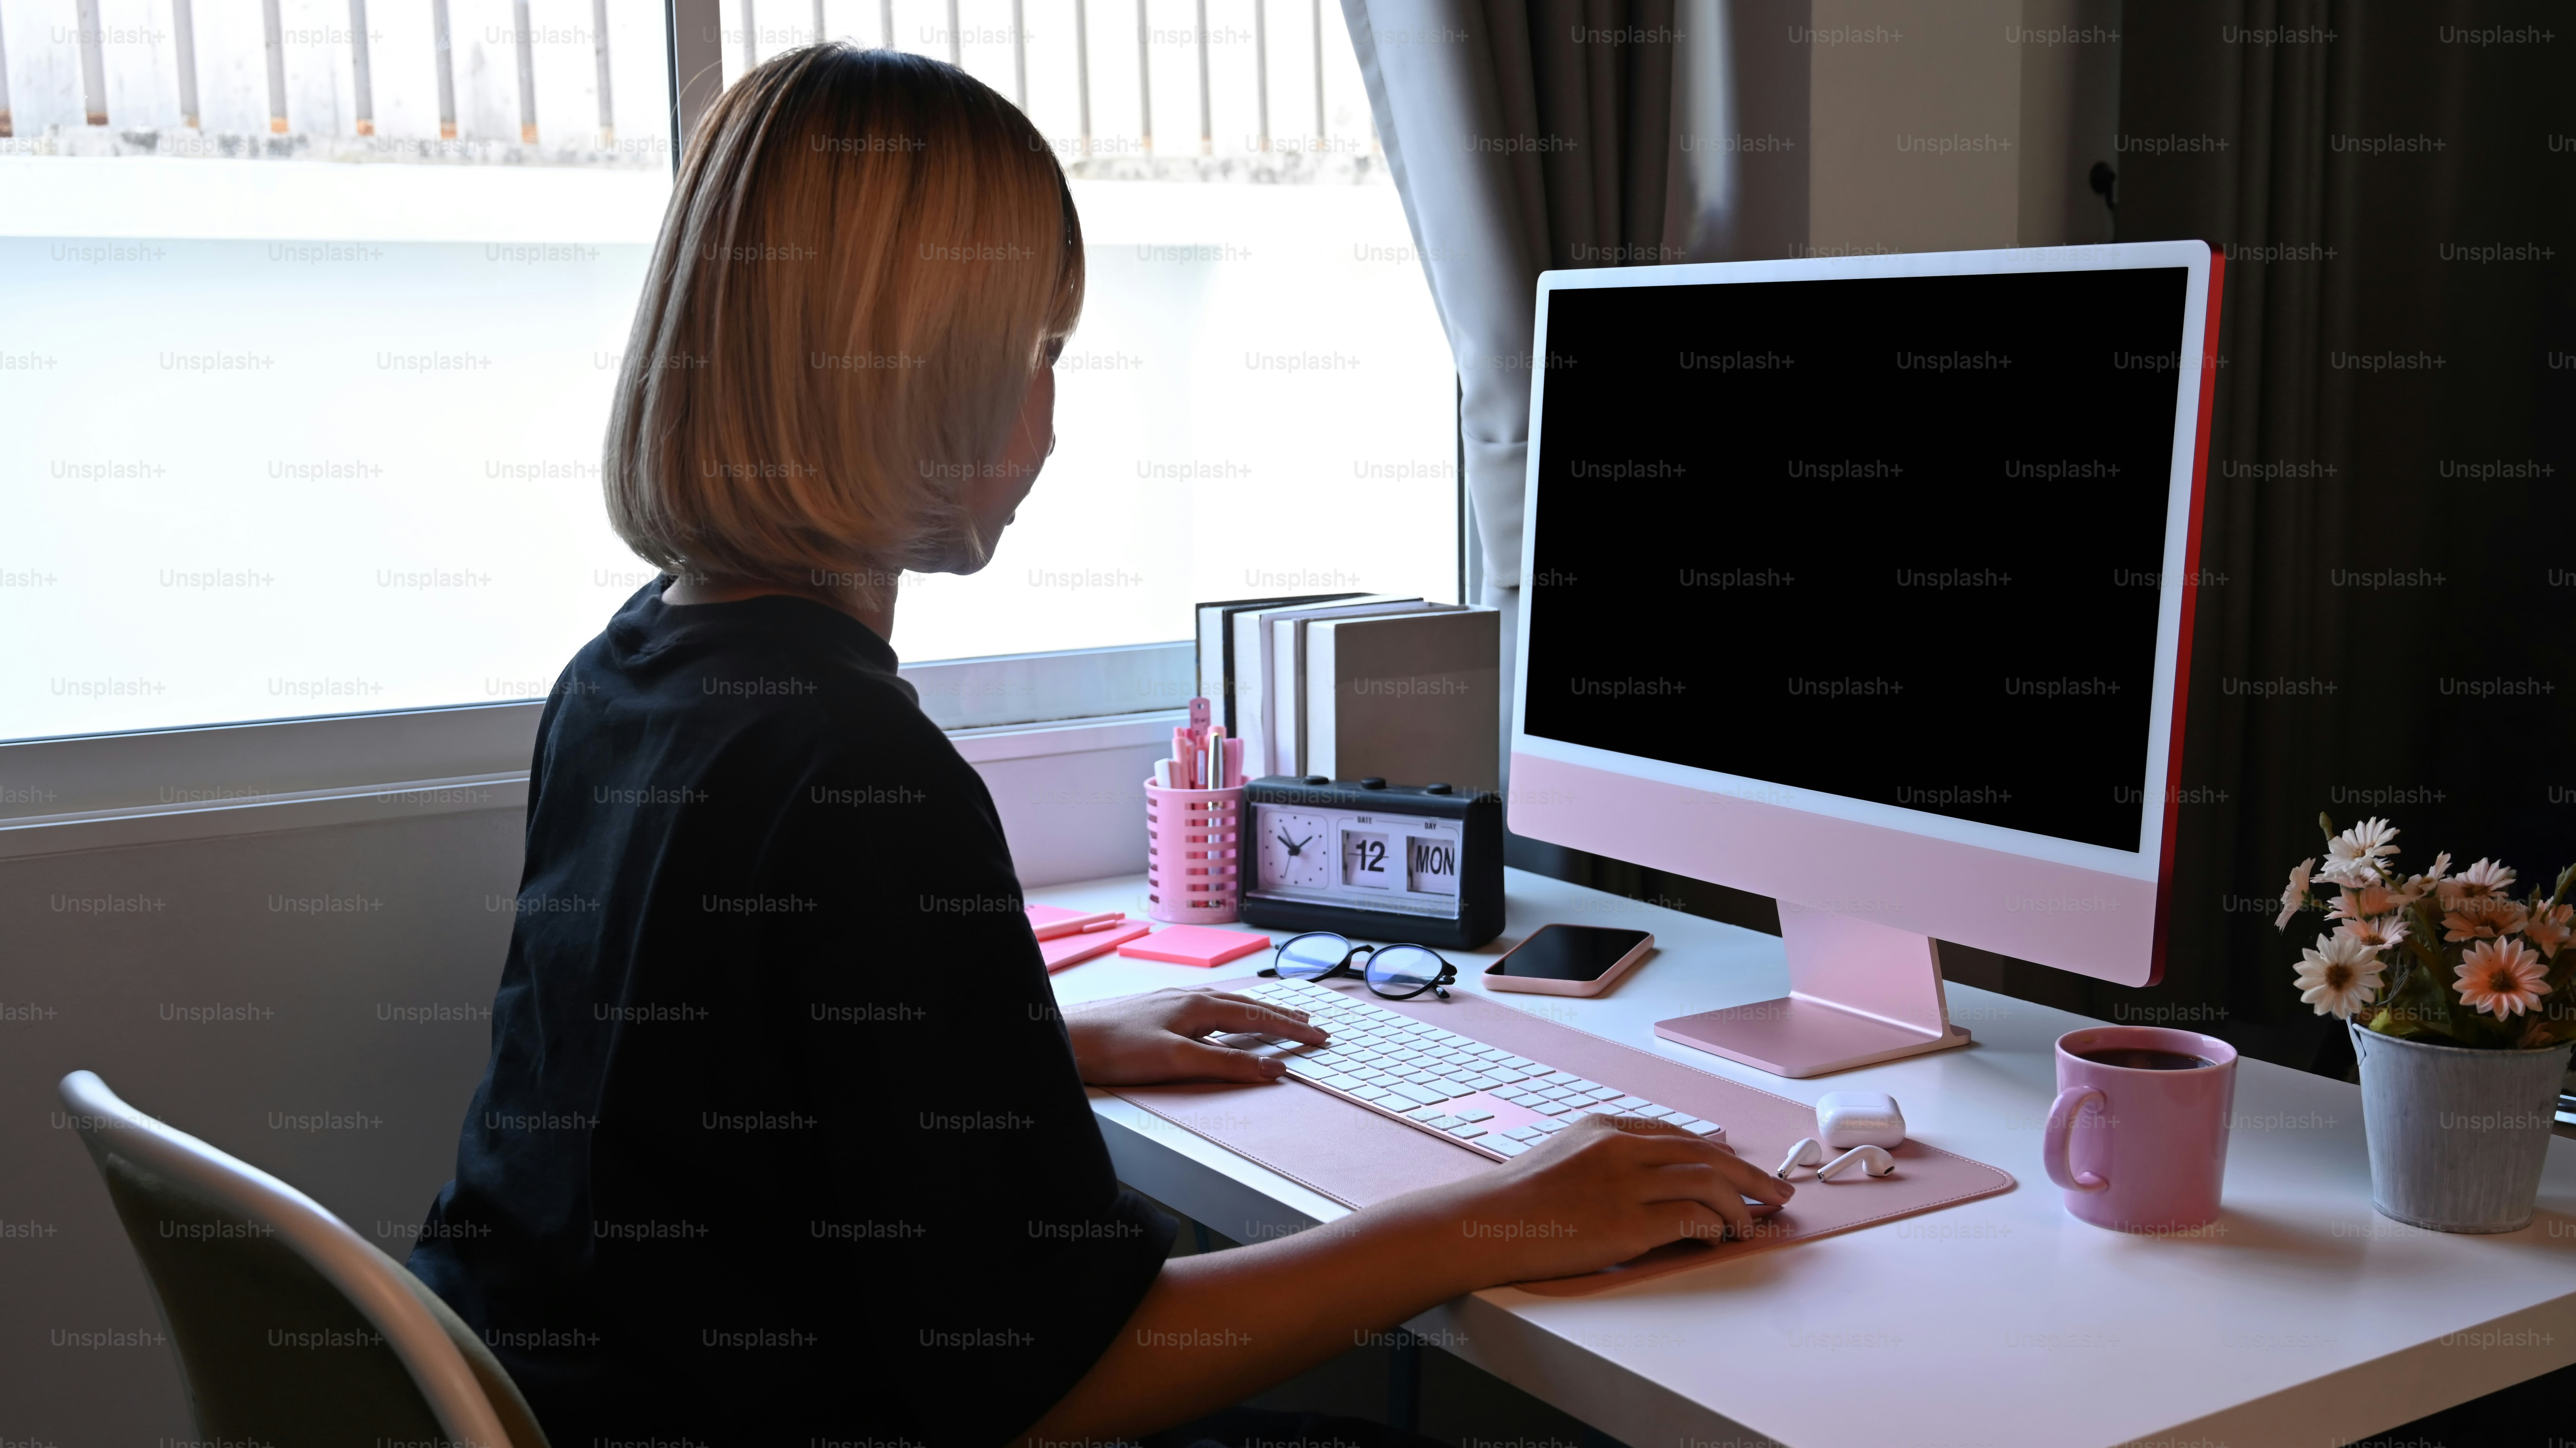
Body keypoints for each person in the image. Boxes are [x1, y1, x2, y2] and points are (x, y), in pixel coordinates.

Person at [407, 43, 1791, 1448]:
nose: (1051, 415)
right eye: (1038, 354)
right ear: (921, 382)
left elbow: (698, 1085)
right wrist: (1500, 1212)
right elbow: (1068, 1382)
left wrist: (1029, 1047)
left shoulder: (630, 672)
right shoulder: (856, 772)